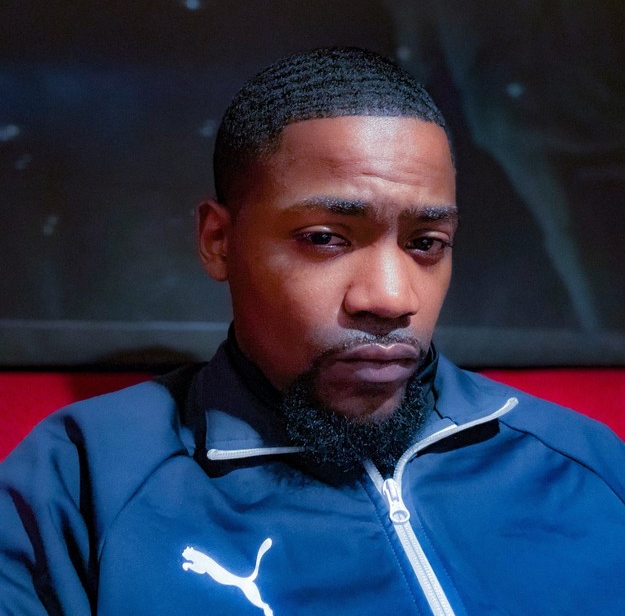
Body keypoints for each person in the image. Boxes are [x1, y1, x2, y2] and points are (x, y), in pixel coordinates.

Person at [1, 47, 624, 616]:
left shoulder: (586, 463)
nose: (392, 299)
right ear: (218, 241)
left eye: (427, 243)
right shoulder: (81, 479)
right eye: (325, 238)